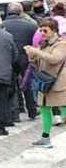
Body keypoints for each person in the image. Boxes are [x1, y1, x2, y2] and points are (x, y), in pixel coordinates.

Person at [25, 20, 66, 148]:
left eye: (45, 30)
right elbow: (37, 62)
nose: (42, 33)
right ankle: (45, 137)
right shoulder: (43, 44)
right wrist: (31, 55)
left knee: (63, 107)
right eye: (40, 30)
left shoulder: (61, 44)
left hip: (57, 83)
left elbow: (54, 59)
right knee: (44, 109)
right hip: (45, 82)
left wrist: (36, 52)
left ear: (53, 30)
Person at [4, 2, 39, 120]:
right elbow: (35, 43)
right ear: (21, 12)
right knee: (27, 84)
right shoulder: (31, 26)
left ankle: (14, 113)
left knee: (11, 84)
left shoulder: (3, 25)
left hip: (9, 58)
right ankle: (32, 110)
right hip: (26, 57)